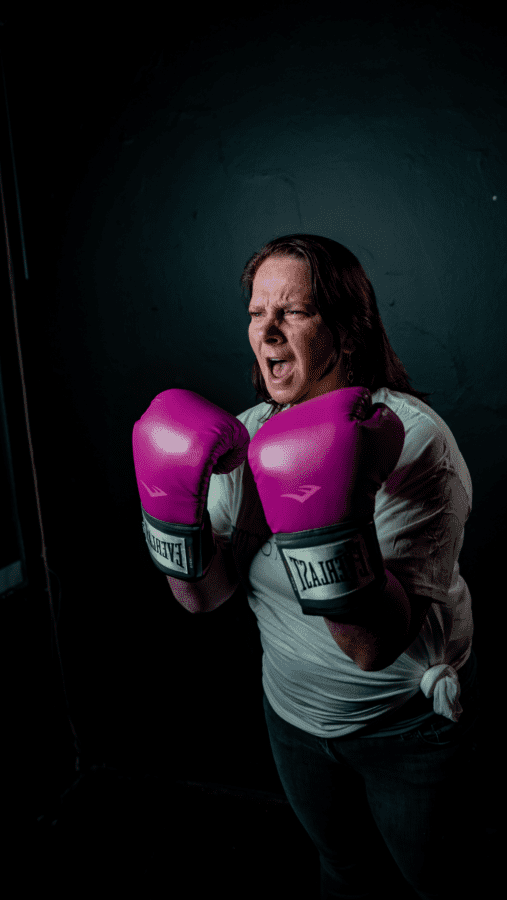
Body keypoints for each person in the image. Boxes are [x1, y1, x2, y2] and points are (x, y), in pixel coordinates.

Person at [133, 233, 478, 900]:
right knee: (343, 872)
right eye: (257, 312)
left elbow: (371, 647)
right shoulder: (245, 435)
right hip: (291, 717)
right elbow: (202, 599)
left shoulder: (413, 441)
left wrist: (321, 509)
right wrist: (172, 518)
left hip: (401, 728)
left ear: (346, 330)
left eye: (293, 311)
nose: (268, 331)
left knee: (439, 890)